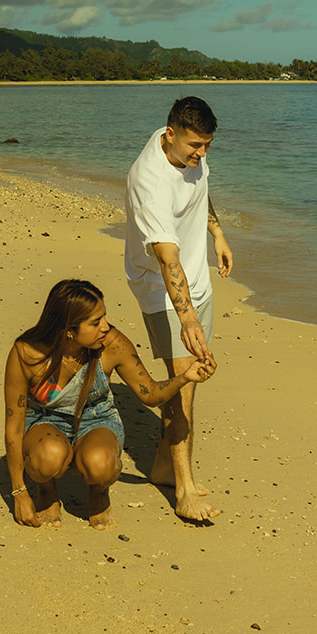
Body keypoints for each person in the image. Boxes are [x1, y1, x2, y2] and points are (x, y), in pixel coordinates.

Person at [3, 278, 216, 530]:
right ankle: (47, 490)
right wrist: (20, 493)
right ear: (68, 329)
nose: (105, 327)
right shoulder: (28, 355)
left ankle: (98, 491)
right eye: (95, 322)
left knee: (101, 464)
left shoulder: (112, 344)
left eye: (104, 317)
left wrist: (185, 377)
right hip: (45, 422)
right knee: (47, 458)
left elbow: (149, 394)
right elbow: (14, 429)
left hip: (97, 419)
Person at [124, 95, 233, 523]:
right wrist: (186, 318)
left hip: (197, 278)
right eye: (194, 146)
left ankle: (164, 468)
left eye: (207, 146)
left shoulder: (187, 153)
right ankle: (184, 491)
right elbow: (167, 259)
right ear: (170, 136)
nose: (201, 155)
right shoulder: (148, 179)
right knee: (181, 383)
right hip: (161, 288)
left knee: (190, 383)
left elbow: (200, 189)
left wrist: (217, 234)